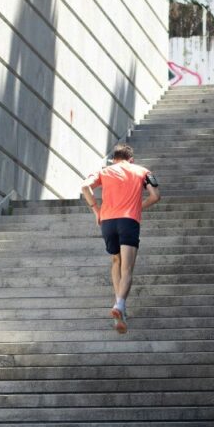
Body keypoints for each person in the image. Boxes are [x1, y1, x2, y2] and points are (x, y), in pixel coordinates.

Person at [80, 143, 161, 334]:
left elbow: (84, 186)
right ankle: (120, 305)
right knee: (128, 268)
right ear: (131, 159)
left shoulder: (104, 171)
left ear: (114, 158)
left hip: (107, 222)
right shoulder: (142, 171)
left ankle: (120, 309)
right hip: (128, 221)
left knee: (116, 260)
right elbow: (156, 196)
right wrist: (138, 206)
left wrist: (96, 210)